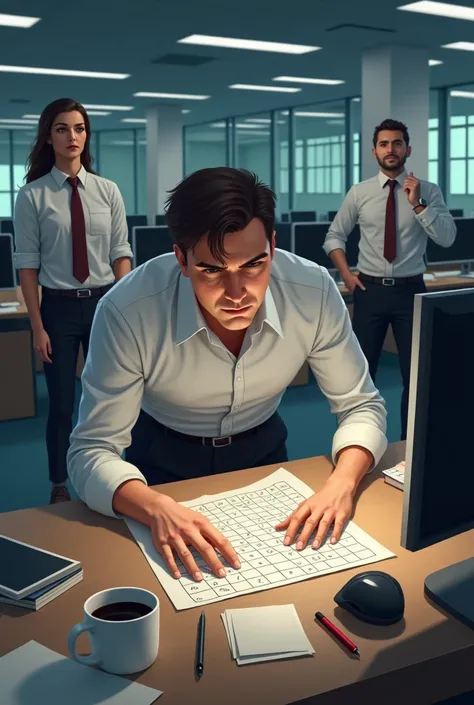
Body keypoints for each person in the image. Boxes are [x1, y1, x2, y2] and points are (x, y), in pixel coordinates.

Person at [67, 167, 387, 584]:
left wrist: (343, 482)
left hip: (264, 454)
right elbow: (90, 450)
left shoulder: (313, 291)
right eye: (213, 270)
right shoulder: (128, 311)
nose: (237, 294)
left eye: (255, 265)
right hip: (164, 462)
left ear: (272, 245)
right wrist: (154, 506)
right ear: (181, 258)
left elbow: (362, 405)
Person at [13, 98, 133, 505]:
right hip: (59, 310)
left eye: (79, 128)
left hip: (104, 304)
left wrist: (128, 307)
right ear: (49, 136)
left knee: (111, 396)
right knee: (63, 402)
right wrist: (37, 325)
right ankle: (58, 481)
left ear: (87, 135)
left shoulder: (108, 191)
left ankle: (114, 474)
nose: (72, 137)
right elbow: (27, 266)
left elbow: (121, 253)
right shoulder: (32, 196)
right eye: (62, 129)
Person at [323, 119, 456, 441]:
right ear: (374, 151)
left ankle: (410, 447)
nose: (391, 149)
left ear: (407, 150)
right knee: (360, 373)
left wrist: (418, 204)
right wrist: (345, 274)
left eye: (397, 143)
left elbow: (448, 239)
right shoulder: (360, 192)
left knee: (414, 376)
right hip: (369, 291)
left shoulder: (429, 191)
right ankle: (359, 442)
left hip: (411, 292)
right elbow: (334, 237)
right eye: (384, 144)